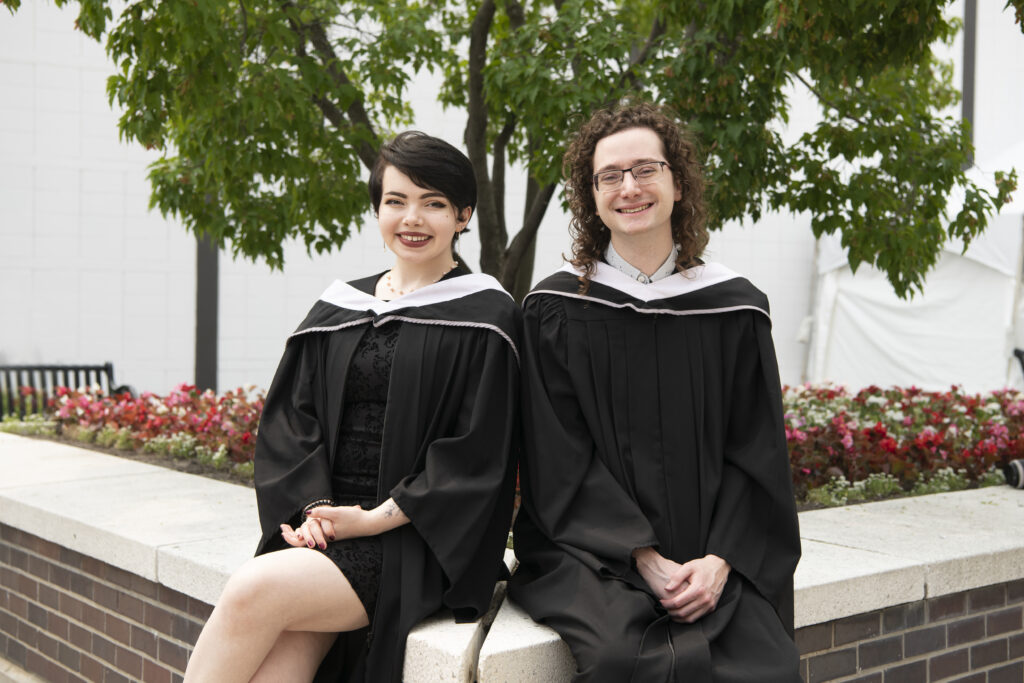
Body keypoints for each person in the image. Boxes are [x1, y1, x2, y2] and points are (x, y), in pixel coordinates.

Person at [184, 132, 520, 683]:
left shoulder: (485, 316)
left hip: (415, 537)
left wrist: (370, 519)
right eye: (396, 201)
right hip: (325, 530)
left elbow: (477, 452)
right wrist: (313, 511)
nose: (412, 218)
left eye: (433, 203)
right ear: (377, 210)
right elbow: (292, 422)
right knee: (275, 669)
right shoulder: (341, 306)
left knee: (252, 588)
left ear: (463, 216)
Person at [508, 102, 801, 682]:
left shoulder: (734, 309)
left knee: (765, 665)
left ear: (678, 182)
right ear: (592, 197)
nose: (629, 188)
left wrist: (721, 560)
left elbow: (757, 449)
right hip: (592, 555)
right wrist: (641, 556)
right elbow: (556, 458)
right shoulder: (555, 310)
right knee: (624, 657)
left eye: (646, 169)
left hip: (714, 551)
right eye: (610, 176)